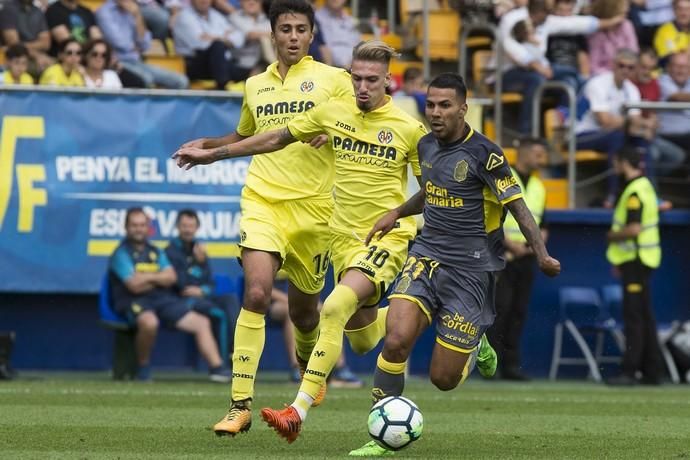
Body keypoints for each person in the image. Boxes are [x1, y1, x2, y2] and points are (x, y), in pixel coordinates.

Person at [173, 40, 428, 443]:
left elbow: (433, 186)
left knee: (333, 306)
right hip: (342, 235)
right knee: (361, 338)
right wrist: (215, 153)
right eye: (358, 78)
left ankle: (296, 410)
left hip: (387, 237)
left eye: (371, 80)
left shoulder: (410, 129)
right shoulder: (331, 113)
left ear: (387, 83)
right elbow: (273, 138)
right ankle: (426, 311)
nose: (362, 87)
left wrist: (401, 216)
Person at [348, 73, 561, 457]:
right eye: (430, 104)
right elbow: (431, 193)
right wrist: (396, 212)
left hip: (471, 271)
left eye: (445, 105)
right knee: (395, 340)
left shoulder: (486, 154)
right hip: (426, 255)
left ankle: (476, 341)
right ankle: (380, 434)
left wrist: (541, 253)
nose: (435, 112)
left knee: (442, 379)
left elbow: (519, 206)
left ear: (464, 108)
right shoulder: (426, 146)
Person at [173, 0, 353, 437]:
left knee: (305, 314)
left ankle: (309, 365)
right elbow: (246, 135)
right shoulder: (255, 84)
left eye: (301, 29)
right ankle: (240, 405)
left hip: (315, 211)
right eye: (285, 28)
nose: (293, 36)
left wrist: (331, 130)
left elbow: (356, 123)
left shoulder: (335, 81)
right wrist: (208, 145)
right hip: (263, 201)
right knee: (255, 292)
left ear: (312, 35)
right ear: (272, 34)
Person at [108, 207, 231, 382]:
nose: (138, 229)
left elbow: (171, 277)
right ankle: (143, 368)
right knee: (150, 322)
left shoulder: (156, 251)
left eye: (142, 225)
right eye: (134, 225)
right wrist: (158, 278)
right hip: (133, 301)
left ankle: (217, 369)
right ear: (126, 227)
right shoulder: (120, 253)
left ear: (147, 227)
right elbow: (133, 286)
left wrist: (145, 277)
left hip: (161, 300)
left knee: (201, 322)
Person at [487, 137, 548, 381]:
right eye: (537, 154)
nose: (541, 160)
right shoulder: (504, 176)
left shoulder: (539, 186)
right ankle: (491, 365)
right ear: (522, 153)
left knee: (518, 312)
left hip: (526, 258)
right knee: (499, 311)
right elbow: (491, 216)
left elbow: (544, 223)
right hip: (503, 256)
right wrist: (510, 245)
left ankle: (511, 366)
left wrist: (536, 244)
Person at [605, 146, 663, 386]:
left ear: (622, 162)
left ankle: (630, 371)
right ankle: (652, 371)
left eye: (616, 162)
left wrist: (611, 236)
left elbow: (633, 229)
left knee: (634, 318)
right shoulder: (645, 186)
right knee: (645, 317)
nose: (614, 167)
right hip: (643, 260)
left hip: (636, 262)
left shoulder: (633, 192)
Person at [165, 209, 241, 360]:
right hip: (181, 301)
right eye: (184, 226)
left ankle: (236, 350)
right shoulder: (170, 251)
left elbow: (209, 282)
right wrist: (196, 267)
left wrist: (203, 290)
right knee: (219, 314)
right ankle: (224, 363)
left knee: (230, 300)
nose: (187, 230)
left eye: (191, 226)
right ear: (178, 227)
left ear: (197, 228)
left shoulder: (199, 250)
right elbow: (181, 285)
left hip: (202, 297)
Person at [269, 278, 364, 388]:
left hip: (299, 297)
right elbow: (264, 287)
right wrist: (292, 301)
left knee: (331, 310)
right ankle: (298, 367)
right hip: (273, 303)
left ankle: (339, 368)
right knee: (292, 311)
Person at [96, 0, 189, 88]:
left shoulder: (133, 11)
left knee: (181, 81)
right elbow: (120, 43)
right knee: (146, 80)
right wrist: (135, 46)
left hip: (137, 61)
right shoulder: (104, 12)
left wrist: (137, 16)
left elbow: (145, 44)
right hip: (118, 63)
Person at [172, 0, 245, 89]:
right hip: (192, 63)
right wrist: (224, 36)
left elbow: (239, 37)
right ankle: (222, 87)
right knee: (217, 47)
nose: (204, 1)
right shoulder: (184, 17)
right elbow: (201, 44)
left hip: (217, 62)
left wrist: (215, 37)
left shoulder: (216, 15)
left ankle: (225, 86)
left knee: (247, 71)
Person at [314, 0, 360, 69]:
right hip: (326, 70)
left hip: (352, 71)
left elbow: (358, 49)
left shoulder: (351, 21)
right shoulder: (314, 19)